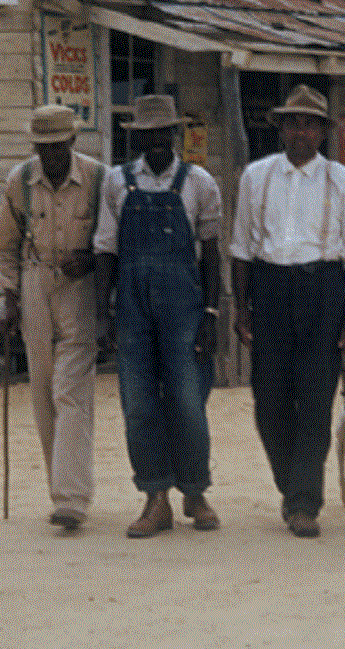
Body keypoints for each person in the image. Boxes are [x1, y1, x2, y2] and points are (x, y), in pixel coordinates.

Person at [229, 84, 345, 538]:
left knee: (313, 400)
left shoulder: (343, 181)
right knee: (268, 401)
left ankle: (304, 502)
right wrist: (242, 307)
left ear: (323, 132)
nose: (301, 132)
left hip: (323, 288)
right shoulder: (256, 176)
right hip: (270, 289)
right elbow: (242, 249)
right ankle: (291, 485)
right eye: (293, 123)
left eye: (310, 124)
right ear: (281, 128)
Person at [93, 95, 222, 538]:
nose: (156, 143)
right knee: (139, 403)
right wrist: (103, 315)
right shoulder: (117, 181)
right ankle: (155, 497)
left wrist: (211, 311)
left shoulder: (198, 182)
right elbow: (106, 249)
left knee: (188, 399)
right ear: (139, 138)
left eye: (163, 134)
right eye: (147, 135)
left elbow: (211, 251)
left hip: (185, 308)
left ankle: (195, 491)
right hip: (131, 307)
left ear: (175, 134)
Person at [0, 105, 106, 531]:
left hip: (79, 288)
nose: (51, 155)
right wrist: (10, 300)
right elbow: (5, 246)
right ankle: (59, 486)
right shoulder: (19, 180)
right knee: (43, 388)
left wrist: (93, 261)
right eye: (43, 147)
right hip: (35, 282)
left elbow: (111, 240)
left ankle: (72, 499)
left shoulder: (98, 178)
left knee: (70, 390)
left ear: (72, 142)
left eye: (58, 147)